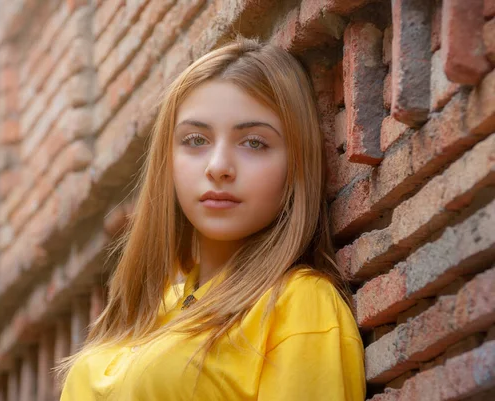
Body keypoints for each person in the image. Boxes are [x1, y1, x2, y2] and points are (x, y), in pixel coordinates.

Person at [56, 36, 366, 400]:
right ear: (166, 161)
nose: (218, 167)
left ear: (297, 163)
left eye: (254, 143)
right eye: (195, 140)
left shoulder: (300, 302)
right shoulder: (152, 309)